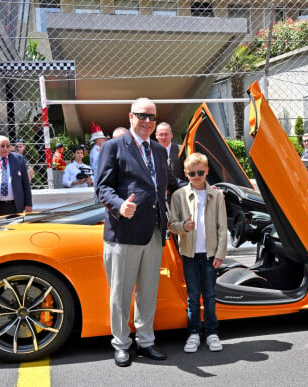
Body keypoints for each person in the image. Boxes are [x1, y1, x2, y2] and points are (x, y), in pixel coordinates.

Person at [96, 97, 184, 367]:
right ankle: (121, 344)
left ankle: (146, 341)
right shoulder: (113, 147)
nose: (147, 121)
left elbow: (169, 183)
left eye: (152, 117)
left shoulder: (158, 150)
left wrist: (200, 186)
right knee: (121, 294)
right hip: (124, 232)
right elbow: (102, 187)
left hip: (154, 231)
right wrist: (120, 205)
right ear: (130, 116)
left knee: (148, 292)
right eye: (142, 116)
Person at [168, 152, 227, 353]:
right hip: (189, 255)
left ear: (207, 171)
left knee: (210, 295)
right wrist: (183, 226)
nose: (196, 176)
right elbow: (171, 224)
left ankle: (212, 333)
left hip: (210, 254)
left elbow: (222, 227)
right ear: (185, 173)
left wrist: (220, 253)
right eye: (192, 173)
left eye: (200, 172)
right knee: (193, 296)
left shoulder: (217, 196)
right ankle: (194, 333)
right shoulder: (178, 196)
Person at [0, 135, 33, 218]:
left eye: (8, 146)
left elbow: (25, 183)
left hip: (15, 206)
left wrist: (28, 204)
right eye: (2, 146)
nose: (6, 149)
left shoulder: (19, 159)